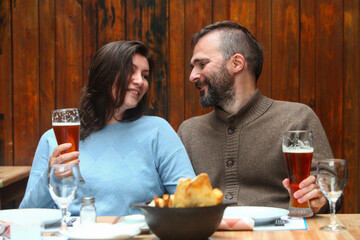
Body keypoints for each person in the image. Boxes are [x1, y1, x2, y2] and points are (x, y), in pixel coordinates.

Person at [20, 40, 196, 217]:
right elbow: (26, 216)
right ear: (103, 76)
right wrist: (50, 178)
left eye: (145, 75)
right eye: (130, 71)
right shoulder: (54, 139)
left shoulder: (158, 131)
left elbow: (191, 202)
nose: (140, 81)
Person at [177, 21, 333, 214]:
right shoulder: (189, 131)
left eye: (202, 64)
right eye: (193, 67)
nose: (192, 75)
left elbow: (330, 187)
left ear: (237, 63)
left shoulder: (296, 118)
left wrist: (320, 198)